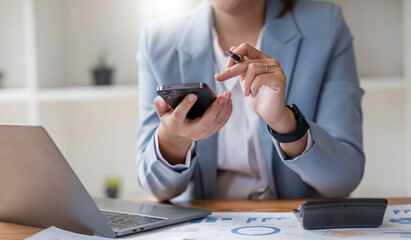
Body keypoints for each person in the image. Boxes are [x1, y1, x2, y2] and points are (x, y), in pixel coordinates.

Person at [136, 0, 365, 201]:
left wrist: (285, 124)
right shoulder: (157, 41)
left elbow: (343, 180)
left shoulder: (326, 26)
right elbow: (156, 188)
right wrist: (174, 140)